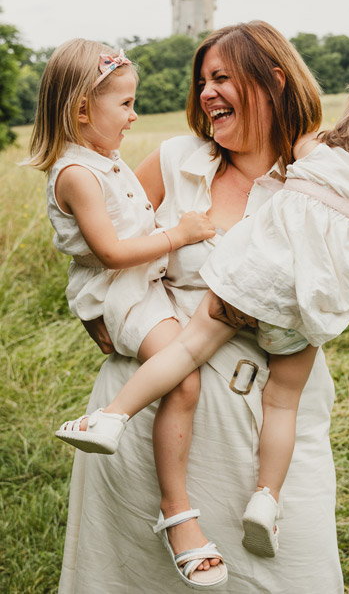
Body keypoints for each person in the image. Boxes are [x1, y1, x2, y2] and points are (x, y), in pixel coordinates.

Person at [57, 21, 349, 594]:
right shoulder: (174, 161)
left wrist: (271, 279)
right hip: (154, 424)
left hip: (271, 430)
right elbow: (101, 247)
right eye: (202, 81)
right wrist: (102, 312)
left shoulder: (334, 171)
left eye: (221, 78)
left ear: (272, 81)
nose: (205, 93)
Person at [27, 39, 227, 589]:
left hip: (140, 287)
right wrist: (178, 235)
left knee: (187, 362)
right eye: (126, 105)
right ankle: (167, 497)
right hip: (122, 294)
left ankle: (121, 426)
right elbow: (112, 252)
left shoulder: (104, 161)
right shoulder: (77, 175)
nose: (135, 116)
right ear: (82, 111)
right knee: (182, 380)